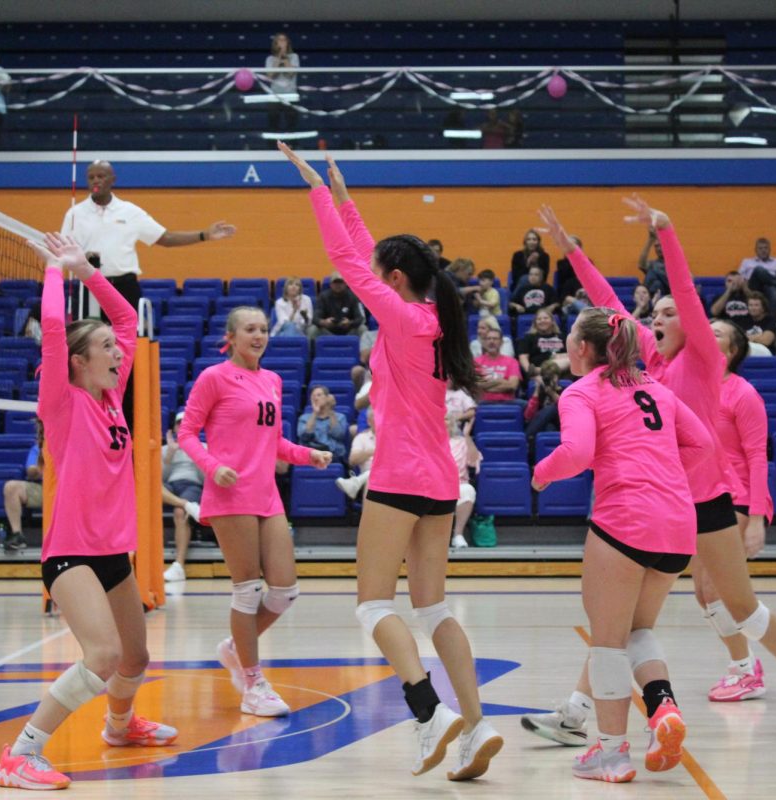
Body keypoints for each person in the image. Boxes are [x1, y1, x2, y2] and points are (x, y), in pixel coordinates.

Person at [535, 201, 776, 740]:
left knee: (741, 608)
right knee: (623, 620)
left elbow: (687, 296)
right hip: (668, 506)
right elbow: (608, 306)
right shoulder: (648, 368)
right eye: (652, 313)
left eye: (669, 312)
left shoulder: (702, 359)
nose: (657, 317)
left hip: (704, 504)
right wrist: (571, 250)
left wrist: (667, 232)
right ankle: (575, 714)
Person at [281, 142, 503, 780]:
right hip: (440, 476)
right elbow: (375, 252)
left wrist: (315, 193)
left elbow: (348, 259)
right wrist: (346, 196)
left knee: (374, 606)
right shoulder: (434, 315)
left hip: (401, 474)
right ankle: (477, 724)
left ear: (396, 282)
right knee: (433, 609)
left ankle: (429, 712)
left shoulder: (401, 317)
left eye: (386, 275)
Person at [0, 232, 177, 791]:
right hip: (72, 554)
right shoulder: (64, 402)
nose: (119, 352)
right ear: (79, 360)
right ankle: (20, 753)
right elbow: (53, 333)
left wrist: (87, 271)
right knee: (103, 654)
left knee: (136, 657)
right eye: (106, 348)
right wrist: (55, 271)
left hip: (111, 551)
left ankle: (119, 727)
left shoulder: (109, 396)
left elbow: (126, 321)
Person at [529, 303, 712, 783]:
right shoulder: (656, 388)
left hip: (625, 520)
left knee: (607, 643)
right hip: (676, 523)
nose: (568, 342)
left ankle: (611, 755)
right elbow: (704, 444)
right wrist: (664, 478)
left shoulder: (581, 392)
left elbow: (576, 453)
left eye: (570, 335)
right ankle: (663, 708)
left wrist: (542, 473)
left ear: (584, 347)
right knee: (637, 631)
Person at [177, 304, 332, 717]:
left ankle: (233, 647)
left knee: (284, 590)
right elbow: (187, 433)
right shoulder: (214, 377)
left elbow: (275, 442)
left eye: (263, 329)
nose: (259, 335)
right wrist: (212, 466)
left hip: (265, 493)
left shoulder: (273, 380)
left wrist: (307, 455)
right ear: (232, 336)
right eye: (250, 329)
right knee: (247, 589)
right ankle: (252, 682)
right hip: (230, 494)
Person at [693, 319, 774, 702]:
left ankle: (746, 668)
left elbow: (758, 457)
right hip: (705, 495)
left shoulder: (743, 394)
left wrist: (756, 518)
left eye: (717, 333)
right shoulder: (694, 388)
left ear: (732, 350)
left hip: (738, 496)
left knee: (717, 590)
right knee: (705, 594)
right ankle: (744, 664)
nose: (707, 334)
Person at [61, 160, 235, 312]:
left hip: (124, 286)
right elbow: (63, 251)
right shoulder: (75, 213)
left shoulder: (130, 211)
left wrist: (204, 235)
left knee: (125, 341)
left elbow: (166, 238)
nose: (96, 180)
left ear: (112, 179)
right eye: (91, 177)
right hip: (89, 286)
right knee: (88, 341)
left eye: (101, 176)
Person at [161, 411, 204, 583]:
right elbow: (159, 479)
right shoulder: (165, 449)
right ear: (174, 427)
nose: (182, 426)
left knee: (179, 513)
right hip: (169, 486)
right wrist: (169, 456)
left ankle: (178, 565)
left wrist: (197, 455)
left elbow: (207, 480)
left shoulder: (204, 447)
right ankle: (187, 505)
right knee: (149, 488)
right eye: (179, 423)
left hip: (191, 485)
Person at [0, 419, 45, 553]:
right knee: (11, 487)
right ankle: (17, 535)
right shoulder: (38, 448)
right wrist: (39, 468)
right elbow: (31, 471)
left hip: (68, 491)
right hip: (44, 488)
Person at [448, 414, 480, 550]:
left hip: (458, 484)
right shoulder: (425, 441)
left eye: (447, 418)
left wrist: (467, 436)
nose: (443, 422)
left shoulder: (461, 441)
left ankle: (458, 535)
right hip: (431, 485)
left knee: (468, 490)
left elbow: (473, 461)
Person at [298, 385, 349, 461]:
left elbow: (338, 435)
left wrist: (331, 410)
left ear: (327, 398)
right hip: (311, 456)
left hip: (333, 456)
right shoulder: (304, 418)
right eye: (313, 396)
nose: (315, 398)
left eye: (319, 395)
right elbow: (304, 437)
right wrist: (315, 413)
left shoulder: (340, 417)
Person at [309, 271, 366, 338]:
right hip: (328, 332)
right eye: (335, 283)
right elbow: (315, 318)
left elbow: (360, 318)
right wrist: (324, 322)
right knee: (312, 329)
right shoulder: (323, 297)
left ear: (345, 283)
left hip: (349, 331)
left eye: (340, 282)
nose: (338, 285)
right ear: (331, 284)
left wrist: (350, 323)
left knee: (363, 329)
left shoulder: (353, 297)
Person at [336, 408, 375, 500]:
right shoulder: (361, 437)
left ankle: (357, 482)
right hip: (370, 476)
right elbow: (352, 460)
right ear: (369, 421)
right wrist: (371, 451)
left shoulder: (393, 437)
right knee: (372, 479)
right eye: (375, 416)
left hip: (392, 475)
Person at [474, 328, 522, 403]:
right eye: (488, 339)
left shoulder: (512, 361)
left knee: (526, 405)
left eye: (495, 339)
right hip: (483, 402)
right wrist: (500, 381)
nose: (491, 341)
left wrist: (486, 386)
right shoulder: (476, 361)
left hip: (507, 402)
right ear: (484, 342)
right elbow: (476, 385)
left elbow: (512, 386)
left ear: (501, 342)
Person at [737, 237, 776, 314]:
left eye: (766, 248)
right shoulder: (747, 261)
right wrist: (746, 290)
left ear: (770, 249)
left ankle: (771, 323)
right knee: (758, 270)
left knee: (773, 290)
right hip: (753, 287)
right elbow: (740, 278)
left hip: (769, 288)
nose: (763, 250)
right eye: (760, 248)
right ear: (755, 250)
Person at [265, 32, 300, 133]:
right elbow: (270, 76)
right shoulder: (270, 59)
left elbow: (290, 73)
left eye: (284, 40)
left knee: (292, 122)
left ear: (287, 43)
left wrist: (285, 59)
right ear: (275, 43)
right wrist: (279, 58)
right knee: (273, 123)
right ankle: (273, 146)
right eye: (279, 40)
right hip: (274, 95)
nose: (282, 42)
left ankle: (292, 146)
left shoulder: (294, 57)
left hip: (291, 94)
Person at [518, 308, 566, 378]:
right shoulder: (528, 337)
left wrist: (555, 356)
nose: (542, 321)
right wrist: (530, 372)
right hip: (538, 369)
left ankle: (541, 371)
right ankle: (543, 372)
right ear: (535, 323)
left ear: (552, 321)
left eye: (545, 318)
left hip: (561, 372)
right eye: (539, 319)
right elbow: (523, 358)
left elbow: (572, 355)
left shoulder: (562, 337)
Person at [524, 359, 563, 444]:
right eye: (547, 376)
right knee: (549, 428)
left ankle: (527, 439)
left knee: (552, 408)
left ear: (557, 376)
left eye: (553, 376)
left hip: (560, 423)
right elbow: (528, 416)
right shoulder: (540, 392)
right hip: (543, 426)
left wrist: (552, 393)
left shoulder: (565, 391)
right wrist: (537, 391)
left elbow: (566, 407)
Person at [638, 228, 669, 299]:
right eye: (656, 246)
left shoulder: (675, 263)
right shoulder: (653, 264)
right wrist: (650, 239)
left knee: (653, 271)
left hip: (670, 295)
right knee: (656, 284)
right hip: (655, 296)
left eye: (661, 245)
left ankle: (644, 290)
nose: (658, 248)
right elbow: (641, 264)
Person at [745, 291, 776, 355]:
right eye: (750, 305)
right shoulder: (744, 320)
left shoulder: (769, 320)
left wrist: (748, 338)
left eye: (756, 305)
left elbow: (766, 341)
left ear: (763, 308)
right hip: (747, 354)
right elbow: (739, 341)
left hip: (765, 354)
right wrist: (758, 336)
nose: (753, 308)